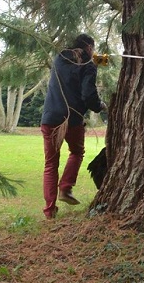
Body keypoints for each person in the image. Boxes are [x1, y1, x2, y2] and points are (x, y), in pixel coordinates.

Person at [40, 33, 105, 220]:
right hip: (72, 120)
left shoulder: (59, 59)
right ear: (89, 47)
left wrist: (101, 59)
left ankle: (50, 210)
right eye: (93, 48)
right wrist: (99, 106)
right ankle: (66, 188)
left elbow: (86, 63)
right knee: (77, 152)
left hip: (50, 118)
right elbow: (88, 95)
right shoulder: (89, 65)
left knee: (50, 164)